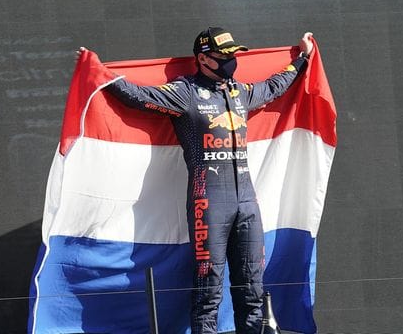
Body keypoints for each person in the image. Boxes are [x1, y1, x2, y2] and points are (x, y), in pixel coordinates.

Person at [78, 28, 314, 334]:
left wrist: (303, 57)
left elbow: (274, 86)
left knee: (252, 287)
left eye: (233, 55)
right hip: (209, 203)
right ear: (203, 59)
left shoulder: (239, 91)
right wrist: (97, 71)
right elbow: (138, 95)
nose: (231, 61)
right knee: (208, 288)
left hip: (247, 203)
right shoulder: (184, 92)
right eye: (223, 56)